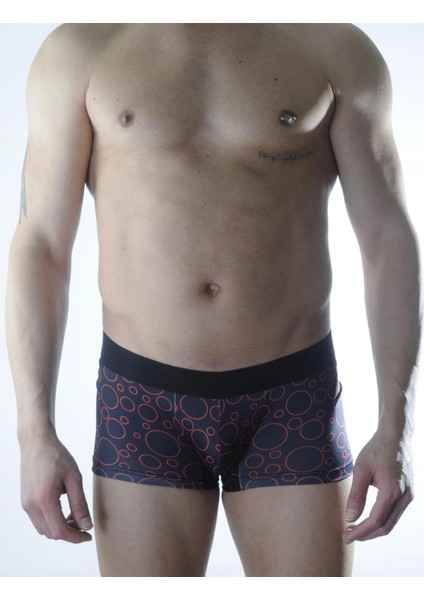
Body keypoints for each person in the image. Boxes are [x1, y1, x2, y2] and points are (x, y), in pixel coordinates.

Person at [6, 23, 420, 577]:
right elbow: (41, 246)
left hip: (292, 397)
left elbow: (388, 242)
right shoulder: (81, 48)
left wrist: (396, 429)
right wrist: (34, 433)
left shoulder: (333, 47)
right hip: (143, 400)